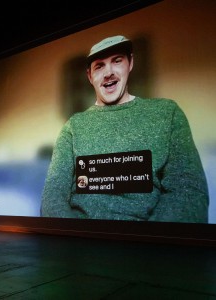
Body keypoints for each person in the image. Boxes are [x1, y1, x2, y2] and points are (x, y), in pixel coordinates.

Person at [41, 35, 209, 223]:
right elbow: (52, 198)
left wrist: (146, 242)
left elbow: (189, 193)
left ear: (130, 63)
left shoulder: (167, 113)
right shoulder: (73, 126)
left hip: (145, 245)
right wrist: (75, 240)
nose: (108, 72)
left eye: (117, 61)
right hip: (81, 242)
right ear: (90, 76)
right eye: (99, 66)